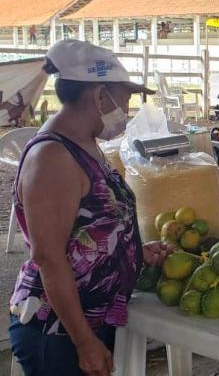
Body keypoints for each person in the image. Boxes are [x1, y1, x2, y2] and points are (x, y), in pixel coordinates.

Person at [9, 40, 172, 376]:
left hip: (93, 318)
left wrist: (133, 250)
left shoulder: (86, 146)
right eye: (124, 99)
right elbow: (49, 257)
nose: (126, 110)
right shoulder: (53, 158)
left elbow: (89, 228)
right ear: (99, 96)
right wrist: (84, 342)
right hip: (59, 331)